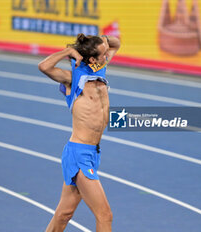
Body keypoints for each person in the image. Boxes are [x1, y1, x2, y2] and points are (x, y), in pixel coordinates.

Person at [38, 33, 120, 232]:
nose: (107, 56)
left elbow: (116, 43)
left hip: (93, 153)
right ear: (91, 59)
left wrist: (101, 39)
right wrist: (68, 51)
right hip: (78, 154)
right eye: (103, 54)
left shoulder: (100, 68)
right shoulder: (72, 78)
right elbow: (44, 67)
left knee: (63, 214)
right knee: (105, 215)